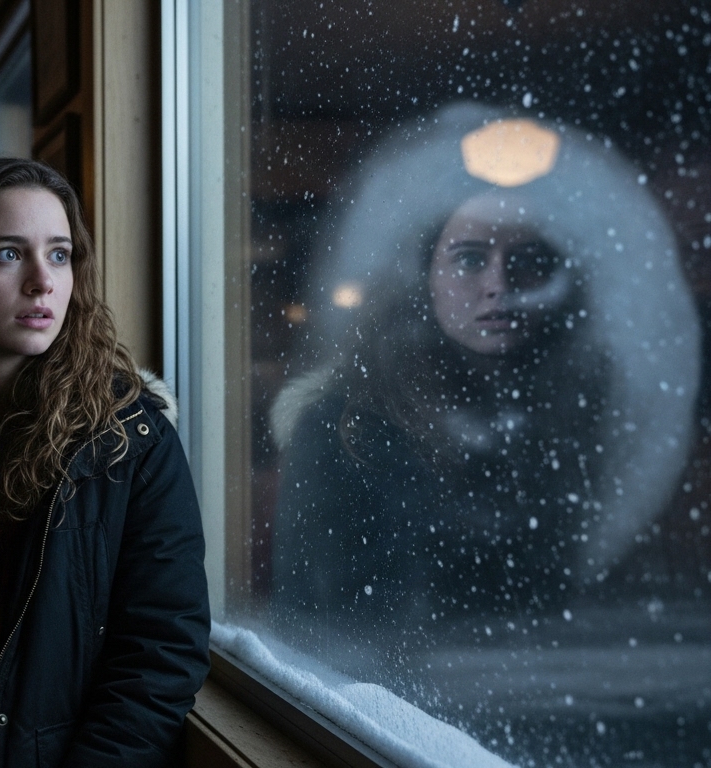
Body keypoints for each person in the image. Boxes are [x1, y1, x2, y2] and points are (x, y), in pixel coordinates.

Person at [266, 105, 699, 674]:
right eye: (470, 259)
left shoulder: (589, 423)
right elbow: (313, 628)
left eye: (527, 261)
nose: (498, 286)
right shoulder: (346, 430)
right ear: (427, 279)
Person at [0, 158, 210, 768]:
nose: (43, 281)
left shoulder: (129, 440)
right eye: (8, 254)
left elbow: (161, 653)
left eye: (59, 255)